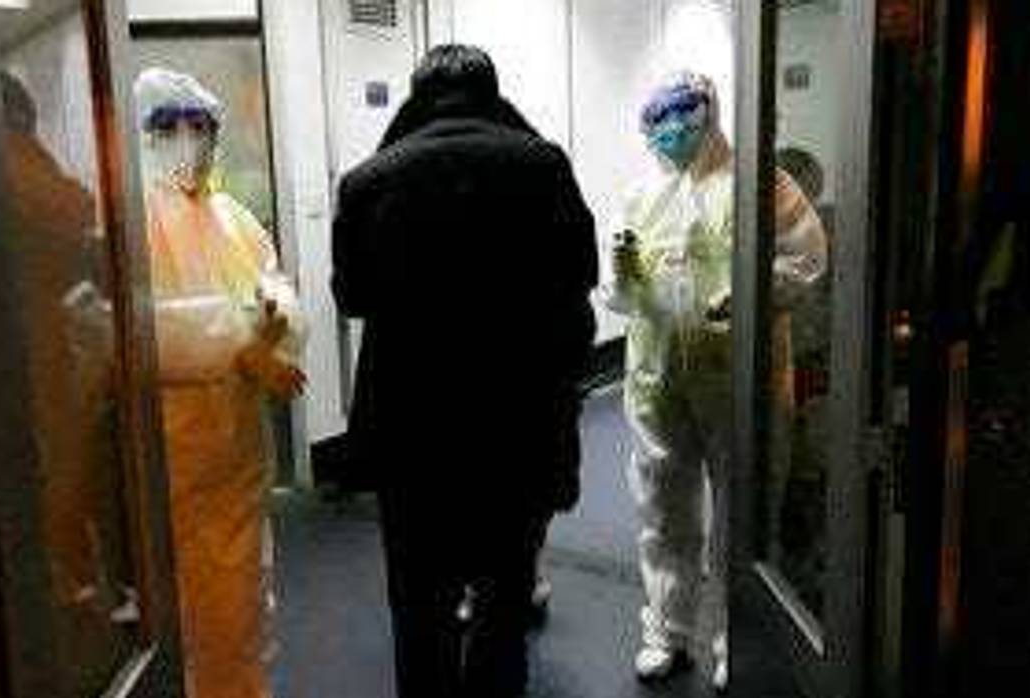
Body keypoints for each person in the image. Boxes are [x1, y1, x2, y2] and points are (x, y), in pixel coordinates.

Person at [332, 45, 597, 698]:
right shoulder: (542, 164)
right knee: (504, 601)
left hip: (411, 431)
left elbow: (353, 297)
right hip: (518, 422)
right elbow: (579, 275)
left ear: (416, 96)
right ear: (493, 91)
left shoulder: (369, 179)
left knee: (418, 604)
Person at [607, 72, 826, 691]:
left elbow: (808, 259)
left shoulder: (762, 185)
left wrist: (752, 289)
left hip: (737, 373)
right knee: (661, 505)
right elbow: (625, 297)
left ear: (710, 114)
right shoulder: (641, 194)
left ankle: (738, 635)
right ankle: (666, 632)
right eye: (660, 118)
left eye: (685, 114)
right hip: (657, 375)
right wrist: (624, 279)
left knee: (742, 509)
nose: (672, 129)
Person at [135, 68, 306, 698]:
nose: (193, 139)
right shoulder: (130, 220)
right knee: (180, 611)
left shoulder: (232, 215)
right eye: (173, 126)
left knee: (243, 600)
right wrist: (243, 344)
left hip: (237, 449)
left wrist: (276, 326)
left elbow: (276, 286)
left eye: (203, 125)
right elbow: (134, 331)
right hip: (171, 460)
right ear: (145, 136)